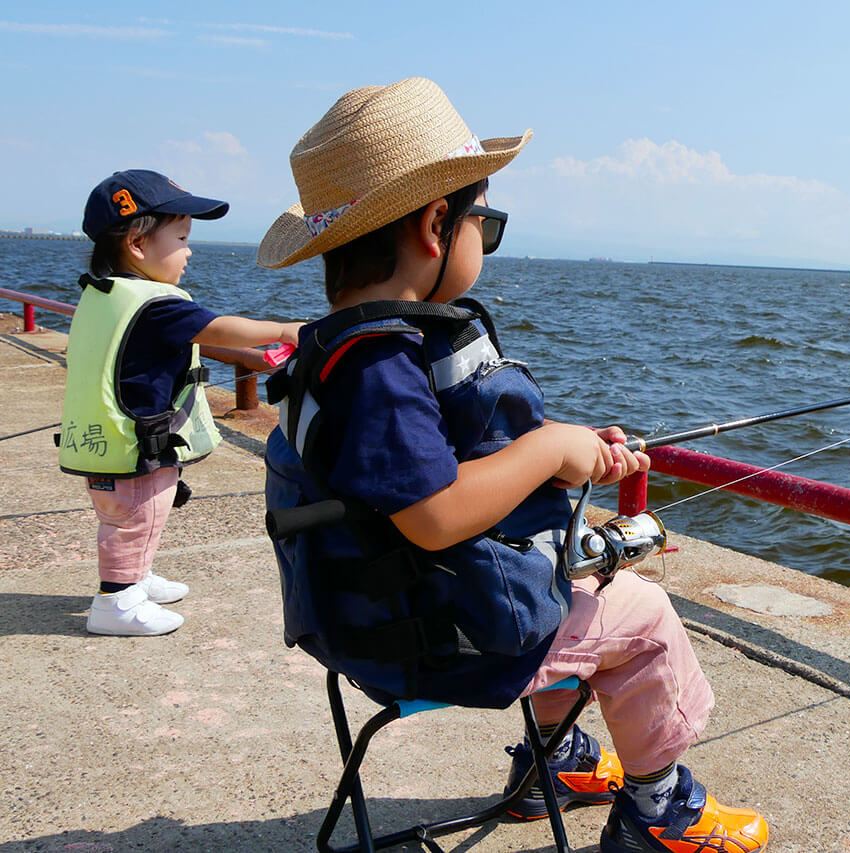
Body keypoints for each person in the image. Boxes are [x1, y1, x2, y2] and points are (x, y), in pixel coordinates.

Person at [259, 78, 769, 852]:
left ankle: (555, 762)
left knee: (571, 582)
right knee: (644, 619)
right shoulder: (382, 373)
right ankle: (660, 812)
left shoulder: (344, 353)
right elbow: (432, 515)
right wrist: (546, 448)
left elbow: (432, 475)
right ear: (437, 225)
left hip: (362, 626)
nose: (483, 241)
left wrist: (565, 454)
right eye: (484, 223)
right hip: (428, 644)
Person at [60, 169, 302, 637]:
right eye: (182, 237)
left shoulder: (105, 293)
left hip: (109, 440)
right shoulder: (158, 305)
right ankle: (117, 601)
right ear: (137, 242)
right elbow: (220, 328)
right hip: (135, 443)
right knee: (137, 517)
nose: (190, 251)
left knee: (129, 517)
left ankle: (136, 578)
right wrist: (283, 329)